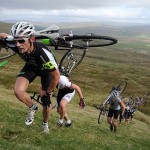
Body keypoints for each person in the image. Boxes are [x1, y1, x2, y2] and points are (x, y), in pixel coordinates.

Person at [0, 22, 60, 133]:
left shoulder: (44, 54)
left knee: (46, 102)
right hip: (31, 66)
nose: (18, 45)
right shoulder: (15, 43)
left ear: (32, 39)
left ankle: (45, 124)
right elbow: (1, 35)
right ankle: (33, 107)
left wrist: (49, 91)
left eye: (21, 41)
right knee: (18, 91)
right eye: (15, 41)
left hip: (47, 72)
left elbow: (56, 76)